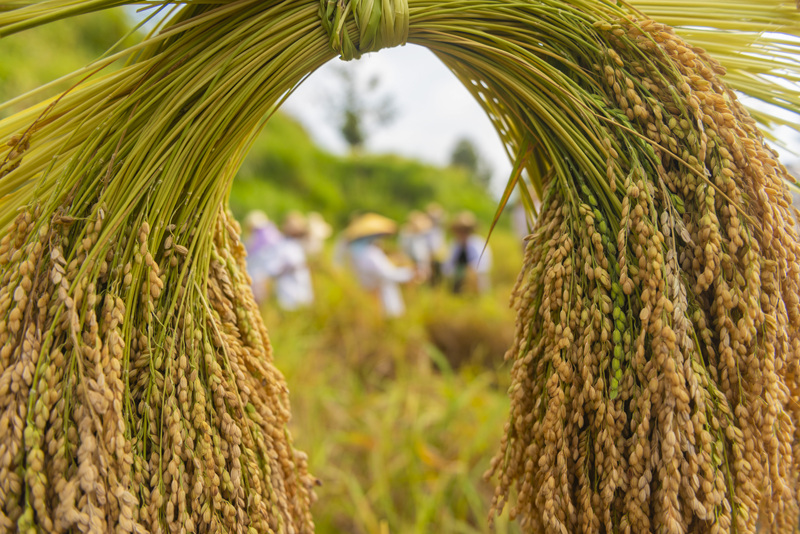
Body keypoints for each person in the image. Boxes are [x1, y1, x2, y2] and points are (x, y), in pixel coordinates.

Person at [344, 213, 415, 318]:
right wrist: (411, 273)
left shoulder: (355, 252)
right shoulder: (371, 253)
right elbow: (388, 274)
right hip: (381, 294)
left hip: (366, 291)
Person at [264, 211, 314, 311]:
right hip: (287, 293)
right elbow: (271, 270)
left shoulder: (298, 245)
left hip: (302, 291)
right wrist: (288, 268)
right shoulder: (280, 245)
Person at [443, 211, 492, 294]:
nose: (462, 233)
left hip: (476, 284)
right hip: (457, 282)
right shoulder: (454, 244)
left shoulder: (478, 243)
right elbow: (447, 266)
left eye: (465, 230)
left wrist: (468, 270)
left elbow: (484, 265)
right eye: (459, 230)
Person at [243, 210, 282, 303]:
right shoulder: (273, 233)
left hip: (258, 274)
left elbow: (249, 255)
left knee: (256, 297)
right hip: (270, 274)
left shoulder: (258, 236)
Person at [399, 210, 433, 282]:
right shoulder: (406, 234)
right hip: (410, 261)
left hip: (420, 261)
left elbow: (426, 251)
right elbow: (404, 249)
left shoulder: (424, 234)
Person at [424, 202, 448, 285]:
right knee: (429, 278)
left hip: (439, 256)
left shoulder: (440, 229)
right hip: (428, 256)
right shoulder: (425, 229)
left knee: (439, 277)